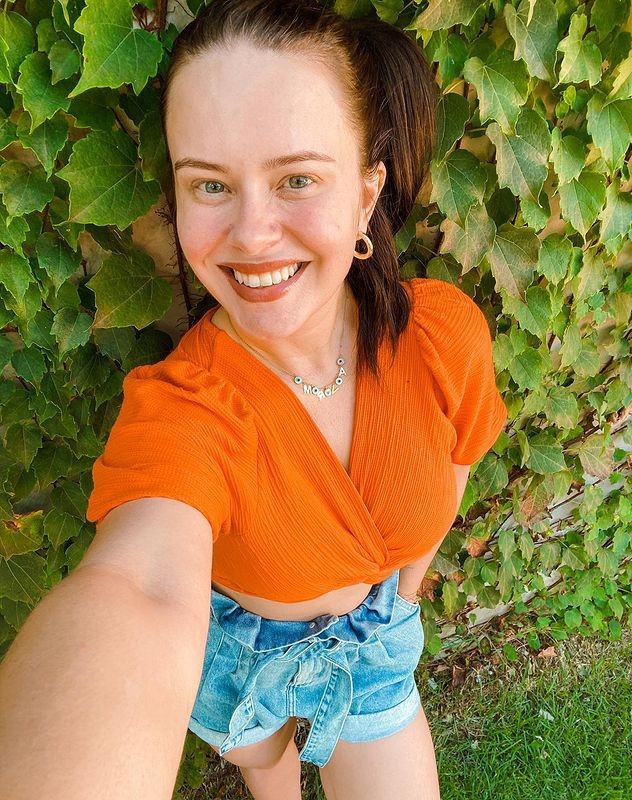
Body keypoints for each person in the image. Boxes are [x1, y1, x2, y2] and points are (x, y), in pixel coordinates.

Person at [0, 2, 507, 799]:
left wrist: (400, 602)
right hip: (239, 662)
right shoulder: (184, 408)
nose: (252, 233)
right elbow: (137, 586)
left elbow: (459, 460)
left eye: (297, 178)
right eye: (210, 184)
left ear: (366, 191)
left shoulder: (443, 337)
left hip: (374, 648)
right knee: (267, 774)